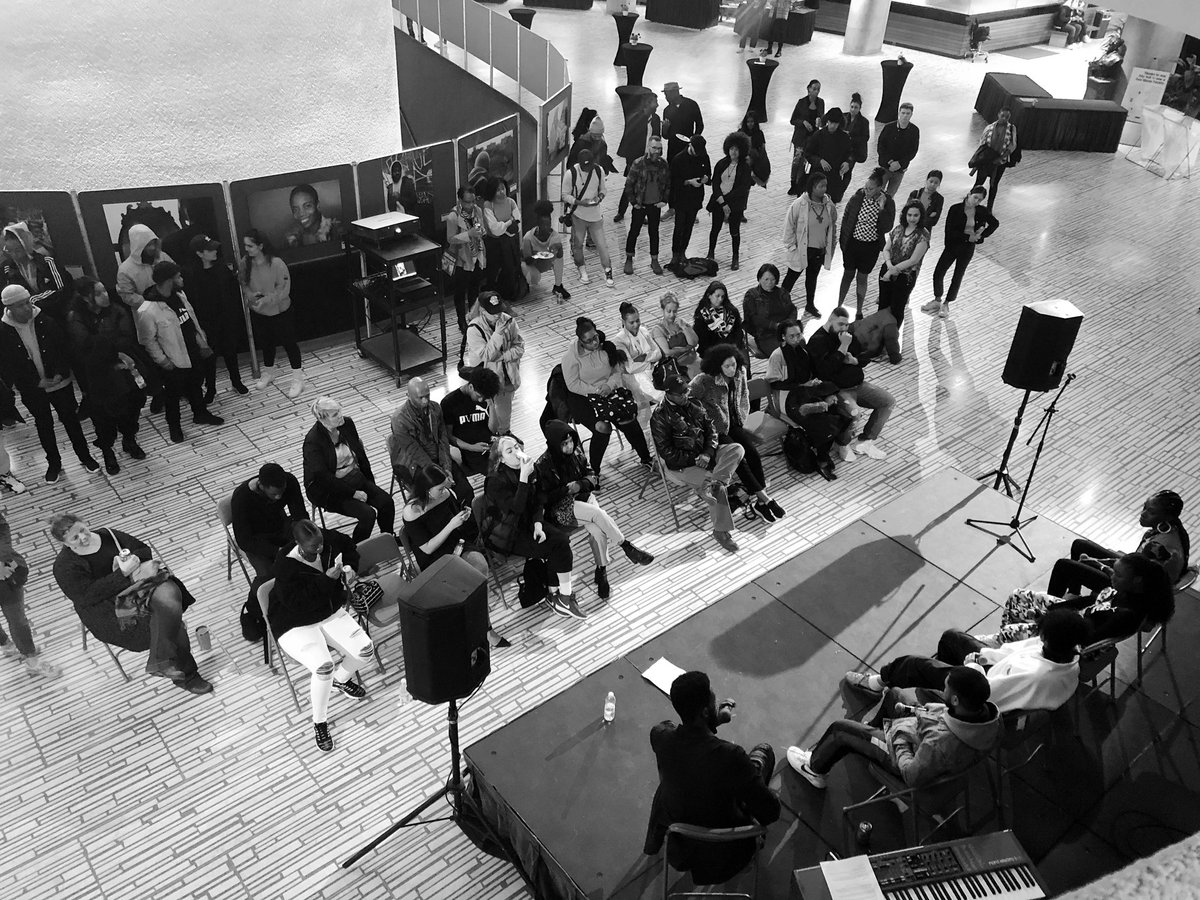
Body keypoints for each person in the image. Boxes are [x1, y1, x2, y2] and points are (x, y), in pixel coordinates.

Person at [51, 513, 212, 694]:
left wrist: (133, 562)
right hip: (109, 609)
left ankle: (160, 663)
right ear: (65, 544)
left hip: (139, 588)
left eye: (82, 530)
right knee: (173, 626)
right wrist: (121, 574)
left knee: (169, 598)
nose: (83, 537)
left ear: (84, 523)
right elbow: (87, 596)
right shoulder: (64, 567)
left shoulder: (107, 535)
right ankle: (188, 676)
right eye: (75, 538)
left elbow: (142, 550)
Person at [645, 670, 780, 885]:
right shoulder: (731, 757)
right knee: (763, 754)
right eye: (711, 694)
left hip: (680, 848)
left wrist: (714, 721)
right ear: (706, 711)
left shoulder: (661, 738)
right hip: (727, 854)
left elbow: (678, 733)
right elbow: (771, 813)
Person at [786, 666, 1000, 790]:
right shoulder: (990, 719)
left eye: (945, 688)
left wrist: (897, 736)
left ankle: (814, 769)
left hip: (907, 755)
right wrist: (923, 714)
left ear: (954, 699)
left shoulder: (939, 744)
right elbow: (944, 720)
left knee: (840, 730)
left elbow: (911, 774)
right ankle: (870, 734)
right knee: (895, 693)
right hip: (925, 740)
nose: (941, 689)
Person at [845, 608, 1092, 714]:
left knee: (913, 664)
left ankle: (876, 683)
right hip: (991, 671)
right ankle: (939, 685)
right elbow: (1011, 652)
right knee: (953, 638)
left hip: (977, 688)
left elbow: (987, 693)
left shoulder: (1035, 675)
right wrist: (984, 656)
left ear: (1049, 640)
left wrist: (973, 666)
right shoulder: (1067, 654)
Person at [269, 519, 368, 752]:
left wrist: (351, 566)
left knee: (365, 651)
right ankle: (320, 722)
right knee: (323, 666)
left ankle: (340, 680)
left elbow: (349, 546)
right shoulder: (284, 565)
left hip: (328, 610)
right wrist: (327, 581)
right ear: (299, 545)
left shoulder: (326, 541)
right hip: (295, 621)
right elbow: (297, 604)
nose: (320, 549)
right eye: (314, 548)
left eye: (321, 543)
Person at [536, 420, 655, 599]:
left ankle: (602, 571)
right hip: (563, 507)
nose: (569, 446)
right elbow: (544, 498)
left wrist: (580, 484)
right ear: (554, 443)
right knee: (599, 514)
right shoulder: (543, 465)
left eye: (571, 441)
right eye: (564, 443)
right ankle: (626, 546)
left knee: (598, 532)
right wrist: (567, 489)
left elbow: (592, 476)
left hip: (584, 497)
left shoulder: (576, 451)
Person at [402, 464, 509, 648]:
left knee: (479, 568)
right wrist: (451, 525)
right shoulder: (412, 511)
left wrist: (462, 515)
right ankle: (483, 627)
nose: (445, 491)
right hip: (434, 556)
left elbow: (454, 519)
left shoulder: (445, 495)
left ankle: (480, 621)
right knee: (468, 582)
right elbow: (426, 548)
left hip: (455, 544)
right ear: (426, 489)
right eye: (440, 488)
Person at [0, 284, 99, 481]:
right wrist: (36, 382)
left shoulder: (47, 321)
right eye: (20, 305)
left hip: (59, 383)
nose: (27, 308)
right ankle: (54, 463)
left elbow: (65, 350)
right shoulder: (3, 332)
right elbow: (7, 365)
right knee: (44, 424)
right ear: (9, 308)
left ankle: (85, 455)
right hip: (33, 389)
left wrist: (60, 373)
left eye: (27, 302)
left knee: (70, 420)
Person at [976, 554, 1175, 648]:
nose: (1112, 576)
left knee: (1007, 632)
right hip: (1070, 619)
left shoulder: (1126, 615)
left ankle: (1005, 642)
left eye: (1119, 575)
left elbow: (1086, 639)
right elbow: (1086, 601)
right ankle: (1008, 642)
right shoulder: (1124, 591)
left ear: (1137, 582)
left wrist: (1047, 622)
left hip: (1064, 638)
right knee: (1017, 596)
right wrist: (1052, 610)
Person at [481, 434, 583, 618]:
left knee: (561, 540)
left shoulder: (530, 468)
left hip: (529, 523)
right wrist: (523, 478)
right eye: (509, 451)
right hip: (508, 533)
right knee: (558, 545)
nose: (516, 453)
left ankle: (558, 595)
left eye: (517, 448)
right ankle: (561, 597)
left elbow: (539, 498)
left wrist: (538, 524)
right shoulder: (495, 481)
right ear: (501, 459)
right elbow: (516, 508)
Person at [689, 345, 786, 522]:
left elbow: (743, 395)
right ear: (718, 366)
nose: (732, 369)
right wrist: (703, 419)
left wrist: (742, 415)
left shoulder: (740, 371)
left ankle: (761, 502)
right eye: (727, 366)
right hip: (715, 430)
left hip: (734, 422)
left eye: (733, 364)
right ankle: (765, 499)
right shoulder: (703, 381)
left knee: (753, 454)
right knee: (740, 460)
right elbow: (688, 400)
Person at [650, 373, 745, 553]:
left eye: (686, 391)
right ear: (669, 394)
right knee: (719, 489)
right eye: (681, 394)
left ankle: (715, 482)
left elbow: (712, 431)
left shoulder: (695, 403)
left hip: (705, 455)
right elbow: (666, 452)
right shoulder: (659, 416)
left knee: (737, 449)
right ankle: (720, 531)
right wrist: (696, 459)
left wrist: (708, 453)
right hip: (683, 464)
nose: (685, 395)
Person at [136, 261, 225, 444]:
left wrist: (201, 342)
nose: (182, 279)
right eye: (178, 277)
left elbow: (190, 321)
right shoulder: (148, 310)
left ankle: (200, 413)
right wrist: (163, 361)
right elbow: (147, 340)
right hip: (173, 359)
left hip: (192, 352)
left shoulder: (179, 296)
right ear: (169, 280)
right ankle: (174, 427)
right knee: (173, 396)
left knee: (195, 385)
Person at [560, 317, 654, 480]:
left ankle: (646, 458)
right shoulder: (571, 357)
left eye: (595, 337)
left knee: (628, 418)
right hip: (583, 397)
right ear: (581, 342)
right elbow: (573, 384)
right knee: (603, 428)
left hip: (608, 390)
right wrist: (596, 390)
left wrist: (609, 385)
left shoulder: (607, 347)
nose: (594, 343)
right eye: (588, 341)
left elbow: (616, 371)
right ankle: (592, 472)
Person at [1048, 490, 1190, 594]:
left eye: (1151, 512)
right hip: (1134, 571)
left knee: (1063, 566)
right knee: (1079, 545)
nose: (1143, 513)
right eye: (1144, 507)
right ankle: (1073, 594)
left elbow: (1126, 579)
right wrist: (1102, 562)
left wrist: (1099, 564)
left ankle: (1046, 615)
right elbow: (1134, 565)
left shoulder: (1157, 547)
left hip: (1132, 593)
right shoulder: (1174, 529)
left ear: (1166, 517)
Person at [765, 319, 854, 479]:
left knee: (841, 413)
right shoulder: (777, 356)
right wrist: (802, 384)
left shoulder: (803, 351)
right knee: (822, 423)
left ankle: (822, 452)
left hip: (806, 392)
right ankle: (822, 458)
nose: (796, 338)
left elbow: (811, 372)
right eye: (792, 336)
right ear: (783, 337)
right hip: (788, 399)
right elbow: (774, 383)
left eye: (798, 334)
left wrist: (813, 383)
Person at [808, 307, 894, 460]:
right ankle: (842, 443)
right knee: (854, 413)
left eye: (847, 325)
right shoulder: (817, 341)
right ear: (830, 320)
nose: (845, 328)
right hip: (838, 389)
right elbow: (824, 371)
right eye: (841, 324)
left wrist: (855, 361)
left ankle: (865, 440)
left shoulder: (847, 336)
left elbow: (864, 356)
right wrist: (843, 348)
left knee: (887, 401)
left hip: (858, 384)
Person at [304, 396, 395, 541]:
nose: (340, 416)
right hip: (328, 489)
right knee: (368, 514)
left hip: (353, 477)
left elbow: (360, 455)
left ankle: (389, 537)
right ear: (322, 419)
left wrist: (370, 483)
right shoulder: (313, 441)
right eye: (335, 415)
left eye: (339, 411)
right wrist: (353, 493)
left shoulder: (347, 424)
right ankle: (356, 549)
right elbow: (323, 477)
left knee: (386, 502)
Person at [240, 229, 304, 398]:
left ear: (261, 245)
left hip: (281, 311)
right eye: (245, 245)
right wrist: (250, 296)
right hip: (259, 312)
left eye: (250, 246)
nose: (247, 249)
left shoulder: (277, 263)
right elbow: (243, 283)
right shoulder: (245, 262)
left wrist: (266, 300)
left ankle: (297, 378)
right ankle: (269, 372)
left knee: (289, 343)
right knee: (266, 343)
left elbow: (283, 289)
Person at [183, 235, 248, 399]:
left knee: (230, 351)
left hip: (226, 319)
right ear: (199, 253)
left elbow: (232, 293)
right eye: (209, 249)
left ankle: (236, 381)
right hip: (206, 322)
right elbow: (192, 301)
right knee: (209, 357)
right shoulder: (191, 274)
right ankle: (211, 388)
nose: (214, 251)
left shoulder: (222, 269)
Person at [390, 377, 474, 502]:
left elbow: (443, 439)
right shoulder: (399, 419)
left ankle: (464, 518)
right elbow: (412, 450)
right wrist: (439, 474)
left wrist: (446, 467)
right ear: (408, 396)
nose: (425, 401)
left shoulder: (435, 408)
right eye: (420, 397)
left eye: (427, 396)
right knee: (438, 499)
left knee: (465, 491)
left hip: (438, 456)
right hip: (415, 463)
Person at [920, 186, 999, 319]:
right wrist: (969, 237)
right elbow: (950, 231)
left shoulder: (981, 211)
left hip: (967, 248)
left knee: (957, 275)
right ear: (969, 194)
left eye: (980, 199)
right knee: (939, 272)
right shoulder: (955, 209)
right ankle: (937, 299)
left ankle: (946, 303)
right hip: (952, 245)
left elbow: (995, 223)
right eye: (975, 197)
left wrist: (981, 235)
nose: (976, 201)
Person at [0, 512, 61, 677]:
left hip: (6, 571)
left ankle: (31, 660)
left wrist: (1, 560)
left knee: (17, 619)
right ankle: (6, 645)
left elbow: (2, 527)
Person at [231, 462, 311, 576]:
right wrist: (277, 551)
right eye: (274, 494)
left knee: (310, 551)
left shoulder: (290, 481)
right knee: (270, 574)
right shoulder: (241, 498)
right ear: (261, 486)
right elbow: (244, 540)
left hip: (281, 527)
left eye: (281, 492)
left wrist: (304, 538)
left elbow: (300, 514)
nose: (279, 497)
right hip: (257, 540)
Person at [837, 167, 896, 319]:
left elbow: (887, 227)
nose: (867, 191)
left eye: (870, 189)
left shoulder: (888, 202)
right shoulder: (858, 197)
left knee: (862, 278)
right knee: (847, 275)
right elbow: (846, 219)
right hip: (853, 244)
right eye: (866, 187)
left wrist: (882, 208)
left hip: (870, 248)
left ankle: (859, 310)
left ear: (879, 188)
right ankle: (838, 306)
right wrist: (843, 243)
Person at [463, 290, 524, 435]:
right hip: (485, 380)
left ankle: (504, 436)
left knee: (504, 416)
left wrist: (502, 356)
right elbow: (487, 355)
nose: (498, 315)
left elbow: (520, 347)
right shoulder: (474, 329)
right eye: (493, 312)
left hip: (508, 377)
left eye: (499, 310)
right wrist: (498, 334)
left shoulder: (509, 321)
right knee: (484, 414)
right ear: (483, 311)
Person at [84, 338, 147, 474]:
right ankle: (108, 453)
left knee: (130, 420)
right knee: (105, 427)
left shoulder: (124, 352)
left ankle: (129, 442)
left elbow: (141, 372)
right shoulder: (91, 360)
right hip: (103, 395)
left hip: (127, 392)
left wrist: (128, 363)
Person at [781, 172, 838, 318]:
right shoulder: (799, 204)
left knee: (812, 279)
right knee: (790, 279)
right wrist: (791, 246)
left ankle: (810, 304)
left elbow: (832, 227)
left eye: (825, 185)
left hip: (818, 251)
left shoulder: (829, 205)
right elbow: (789, 225)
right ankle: (780, 305)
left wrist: (830, 247)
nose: (824, 189)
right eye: (821, 186)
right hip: (801, 249)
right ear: (812, 187)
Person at [1, 221, 72, 321]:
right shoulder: (6, 269)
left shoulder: (46, 262)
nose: (14, 255)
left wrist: (31, 300)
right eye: (9, 251)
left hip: (54, 313)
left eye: (17, 250)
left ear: (25, 246)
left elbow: (60, 289)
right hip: (26, 319)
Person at [564, 149, 614, 288]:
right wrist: (579, 202)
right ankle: (582, 270)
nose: (587, 169)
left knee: (602, 245)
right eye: (584, 167)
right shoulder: (571, 174)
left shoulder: (599, 170)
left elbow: (603, 189)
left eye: (589, 166)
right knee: (577, 245)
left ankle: (608, 272)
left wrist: (600, 198)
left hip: (595, 215)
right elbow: (565, 195)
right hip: (578, 215)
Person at [623, 136, 671, 276]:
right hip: (640, 205)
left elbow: (668, 184)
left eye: (659, 148)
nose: (657, 151)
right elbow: (629, 185)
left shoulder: (663, 164)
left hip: (655, 206)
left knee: (654, 233)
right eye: (654, 148)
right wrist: (634, 202)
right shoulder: (638, 163)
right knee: (634, 232)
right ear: (648, 147)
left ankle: (654, 260)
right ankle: (629, 258)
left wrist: (665, 201)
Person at [877, 199, 930, 320]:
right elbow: (886, 249)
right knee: (882, 305)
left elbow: (913, 260)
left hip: (905, 275)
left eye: (916, 215)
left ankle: (892, 337)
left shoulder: (923, 234)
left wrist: (891, 270)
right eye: (909, 215)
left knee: (897, 309)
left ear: (921, 216)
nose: (912, 218)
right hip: (887, 269)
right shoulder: (898, 228)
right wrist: (889, 265)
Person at [441, 368, 500, 477]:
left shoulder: (487, 396)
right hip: (471, 450)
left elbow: (494, 429)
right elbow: (448, 436)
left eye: (484, 397)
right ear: (471, 386)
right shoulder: (449, 402)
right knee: (498, 474)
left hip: (491, 443)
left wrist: (492, 405)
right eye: (478, 396)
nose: (481, 400)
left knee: (516, 462)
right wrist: (472, 447)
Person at [707, 132, 753, 271]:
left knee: (735, 231)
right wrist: (722, 202)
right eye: (731, 148)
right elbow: (715, 184)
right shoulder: (721, 164)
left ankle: (735, 257)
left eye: (736, 149)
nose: (733, 151)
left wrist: (726, 202)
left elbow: (742, 189)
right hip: (719, 202)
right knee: (715, 229)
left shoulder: (745, 167)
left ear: (741, 150)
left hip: (735, 204)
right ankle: (710, 252)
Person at [446, 184, 488, 333]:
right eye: (466, 202)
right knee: (460, 292)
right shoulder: (453, 216)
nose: (470, 205)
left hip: (477, 256)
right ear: (459, 201)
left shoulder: (478, 211)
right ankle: (461, 320)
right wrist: (468, 234)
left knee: (474, 290)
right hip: (461, 261)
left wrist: (481, 231)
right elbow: (450, 239)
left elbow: (482, 228)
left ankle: (473, 318)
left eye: (472, 201)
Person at [667, 135, 711, 269]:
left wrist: (705, 179)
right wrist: (688, 182)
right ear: (690, 146)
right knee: (679, 227)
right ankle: (675, 254)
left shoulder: (703, 156)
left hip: (695, 198)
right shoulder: (678, 159)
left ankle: (683, 252)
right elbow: (672, 182)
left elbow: (709, 175)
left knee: (689, 227)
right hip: (681, 198)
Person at [481, 177, 527, 303]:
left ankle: (509, 293)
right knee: (493, 271)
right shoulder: (488, 205)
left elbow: (518, 225)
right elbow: (495, 229)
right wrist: (509, 222)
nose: (502, 192)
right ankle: (491, 297)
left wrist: (504, 226)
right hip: (494, 243)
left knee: (511, 268)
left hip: (510, 242)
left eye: (503, 189)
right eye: (497, 190)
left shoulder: (511, 202)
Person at [742, 263, 796, 360]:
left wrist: (789, 325)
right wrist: (774, 325)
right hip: (765, 335)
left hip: (785, 331)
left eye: (773, 279)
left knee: (801, 347)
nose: (769, 283)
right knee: (784, 354)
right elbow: (752, 318)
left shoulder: (782, 293)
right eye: (766, 279)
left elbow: (792, 309)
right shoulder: (752, 295)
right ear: (759, 279)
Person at [520, 200, 569, 302]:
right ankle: (524, 283)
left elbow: (559, 255)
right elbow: (527, 259)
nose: (547, 228)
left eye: (549, 224)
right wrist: (538, 255)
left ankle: (558, 286)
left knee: (558, 260)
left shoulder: (554, 235)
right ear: (538, 224)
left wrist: (558, 248)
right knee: (534, 277)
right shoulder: (528, 237)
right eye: (544, 225)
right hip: (530, 264)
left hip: (545, 263)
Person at [116, 224, 174, 309]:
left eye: (154, 243)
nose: (153, 248)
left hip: (173, 304)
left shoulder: (163, 257)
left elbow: (175, 274)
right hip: (148, 313)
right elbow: (127, 295)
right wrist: (150, 301)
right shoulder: (125, 270)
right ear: (138, 246)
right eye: (148, 245)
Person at [804, 108, 854, 203]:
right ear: (827, 121)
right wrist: (819, 161)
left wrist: (848, 162)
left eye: (835, 123)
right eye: (831, 122)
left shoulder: (844, 137)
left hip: (834, 178)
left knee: (831, 205)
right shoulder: (818, 135)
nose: (833, 126)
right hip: (818, 177)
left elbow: (850, 153)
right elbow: (808, 153)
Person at [972, 108, 1018, 208]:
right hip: (986, 162)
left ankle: (989, 207)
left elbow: (1012, 145)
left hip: (999, 163)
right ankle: (971, 202)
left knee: (993, 184)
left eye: (1007, 117)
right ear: (998, 115)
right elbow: (982, 143)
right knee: (979, 182)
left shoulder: (1011, 129)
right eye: (1003, 116)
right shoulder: (990, 127)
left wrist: (1002, 157)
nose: (1004, 118)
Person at [650, 292, 701, 379]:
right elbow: (667, 352)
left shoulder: (681, 322)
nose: (672, 315)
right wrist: (686, 348)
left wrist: (684, 328)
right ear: (662, 310)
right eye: (669, 311)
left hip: (692, 358)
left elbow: (694, 342)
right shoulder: (658, 330)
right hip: (675, 365)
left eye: (675, 311)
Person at [789, 80, 825, 195]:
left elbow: (822, 120)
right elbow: (793, 120)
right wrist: (803, 122)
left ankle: (800, 184)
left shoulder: (821, 103)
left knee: (804, 162)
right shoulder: (801, 102)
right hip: (800, 138)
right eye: (814, 88)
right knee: (796, 161)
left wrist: (820, 121)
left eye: (818, 89)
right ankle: (793, 183)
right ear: (808, 89)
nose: (816, 91)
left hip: (812, 139)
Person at [876, 102, 920, 197]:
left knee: (890, 195)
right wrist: (890, 162)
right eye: (903, 113)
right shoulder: (889, 128)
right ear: (899, 113)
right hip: (885, 166)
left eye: (908, 113)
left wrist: (899, 163)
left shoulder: (914, 130)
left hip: (900, 169)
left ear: (911, 114)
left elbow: (913, 151)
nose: (905, 116)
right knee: (877, 191)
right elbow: (881, 146)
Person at [693, 280, 746, 357]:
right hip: (712, 351)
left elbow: (738, 331)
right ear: (709, 296)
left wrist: (733, 348)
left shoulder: (731, 311)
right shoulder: (701, 315)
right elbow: (702, 340)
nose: (720, 299)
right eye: (717, 296)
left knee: (744, 365)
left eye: (722, 296)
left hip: (732, 348)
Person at [612, 301, 663, 380]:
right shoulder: (619, 340)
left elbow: (658, 354)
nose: (636, 325)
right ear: (623, 322)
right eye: (631, 322)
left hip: (654, 370)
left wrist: (644, 358)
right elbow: (630, 368)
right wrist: (651, 362)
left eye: (637, 320)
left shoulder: (643, 330)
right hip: (635, 378)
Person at [662, 82, 705, 165]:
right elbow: (666, 136)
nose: (666, 97)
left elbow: (700, 125)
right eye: (665, 94)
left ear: (676, 92)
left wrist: (694, 140)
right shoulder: (667, 110)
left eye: (667, 94)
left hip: (688, 146)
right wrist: (665, 129)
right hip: (673, 149)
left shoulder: (691, 104)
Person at [850, 297, 904, 364]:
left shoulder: (882, 312)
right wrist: (895, 357)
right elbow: (892, 342)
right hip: (861, 343)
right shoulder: (890, 323)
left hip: (853, 330)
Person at [843, 93, 872, 189]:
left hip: (854, 150)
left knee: (848, 170)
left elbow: (865, 138)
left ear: (860, 108)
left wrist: (850, 137)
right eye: (851, 107)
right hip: (842, 148)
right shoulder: (843, 116)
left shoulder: (864, 122)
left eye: (856, 107)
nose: (853, 109)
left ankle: (842, 189)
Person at [740, 110, 771, 191]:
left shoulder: (759, 133)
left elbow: (762, 150)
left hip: (754, 163)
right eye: (748, 122)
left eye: (752, 121)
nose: (750, 124)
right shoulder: (741, 133)